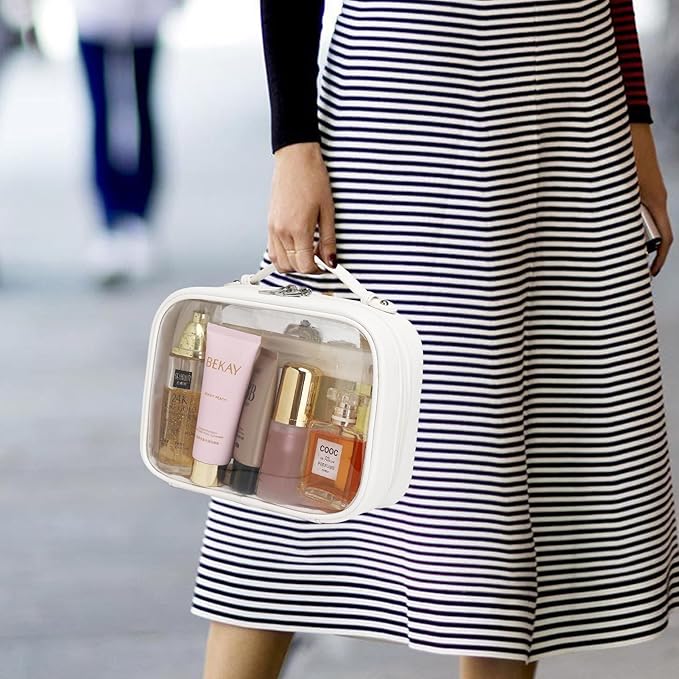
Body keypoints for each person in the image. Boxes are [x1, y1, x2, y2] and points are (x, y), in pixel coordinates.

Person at [194, 2, 678, 678]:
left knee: (512, 452)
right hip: (396, 102)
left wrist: (636, 125)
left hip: (567, 108)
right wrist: (292, 145)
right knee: (293, 455)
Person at [74, 0, 177, 285]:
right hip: (95, 16)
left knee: (141, 106)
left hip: (145, 16)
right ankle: (110, 219)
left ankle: (139, 217)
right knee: (102, 111)